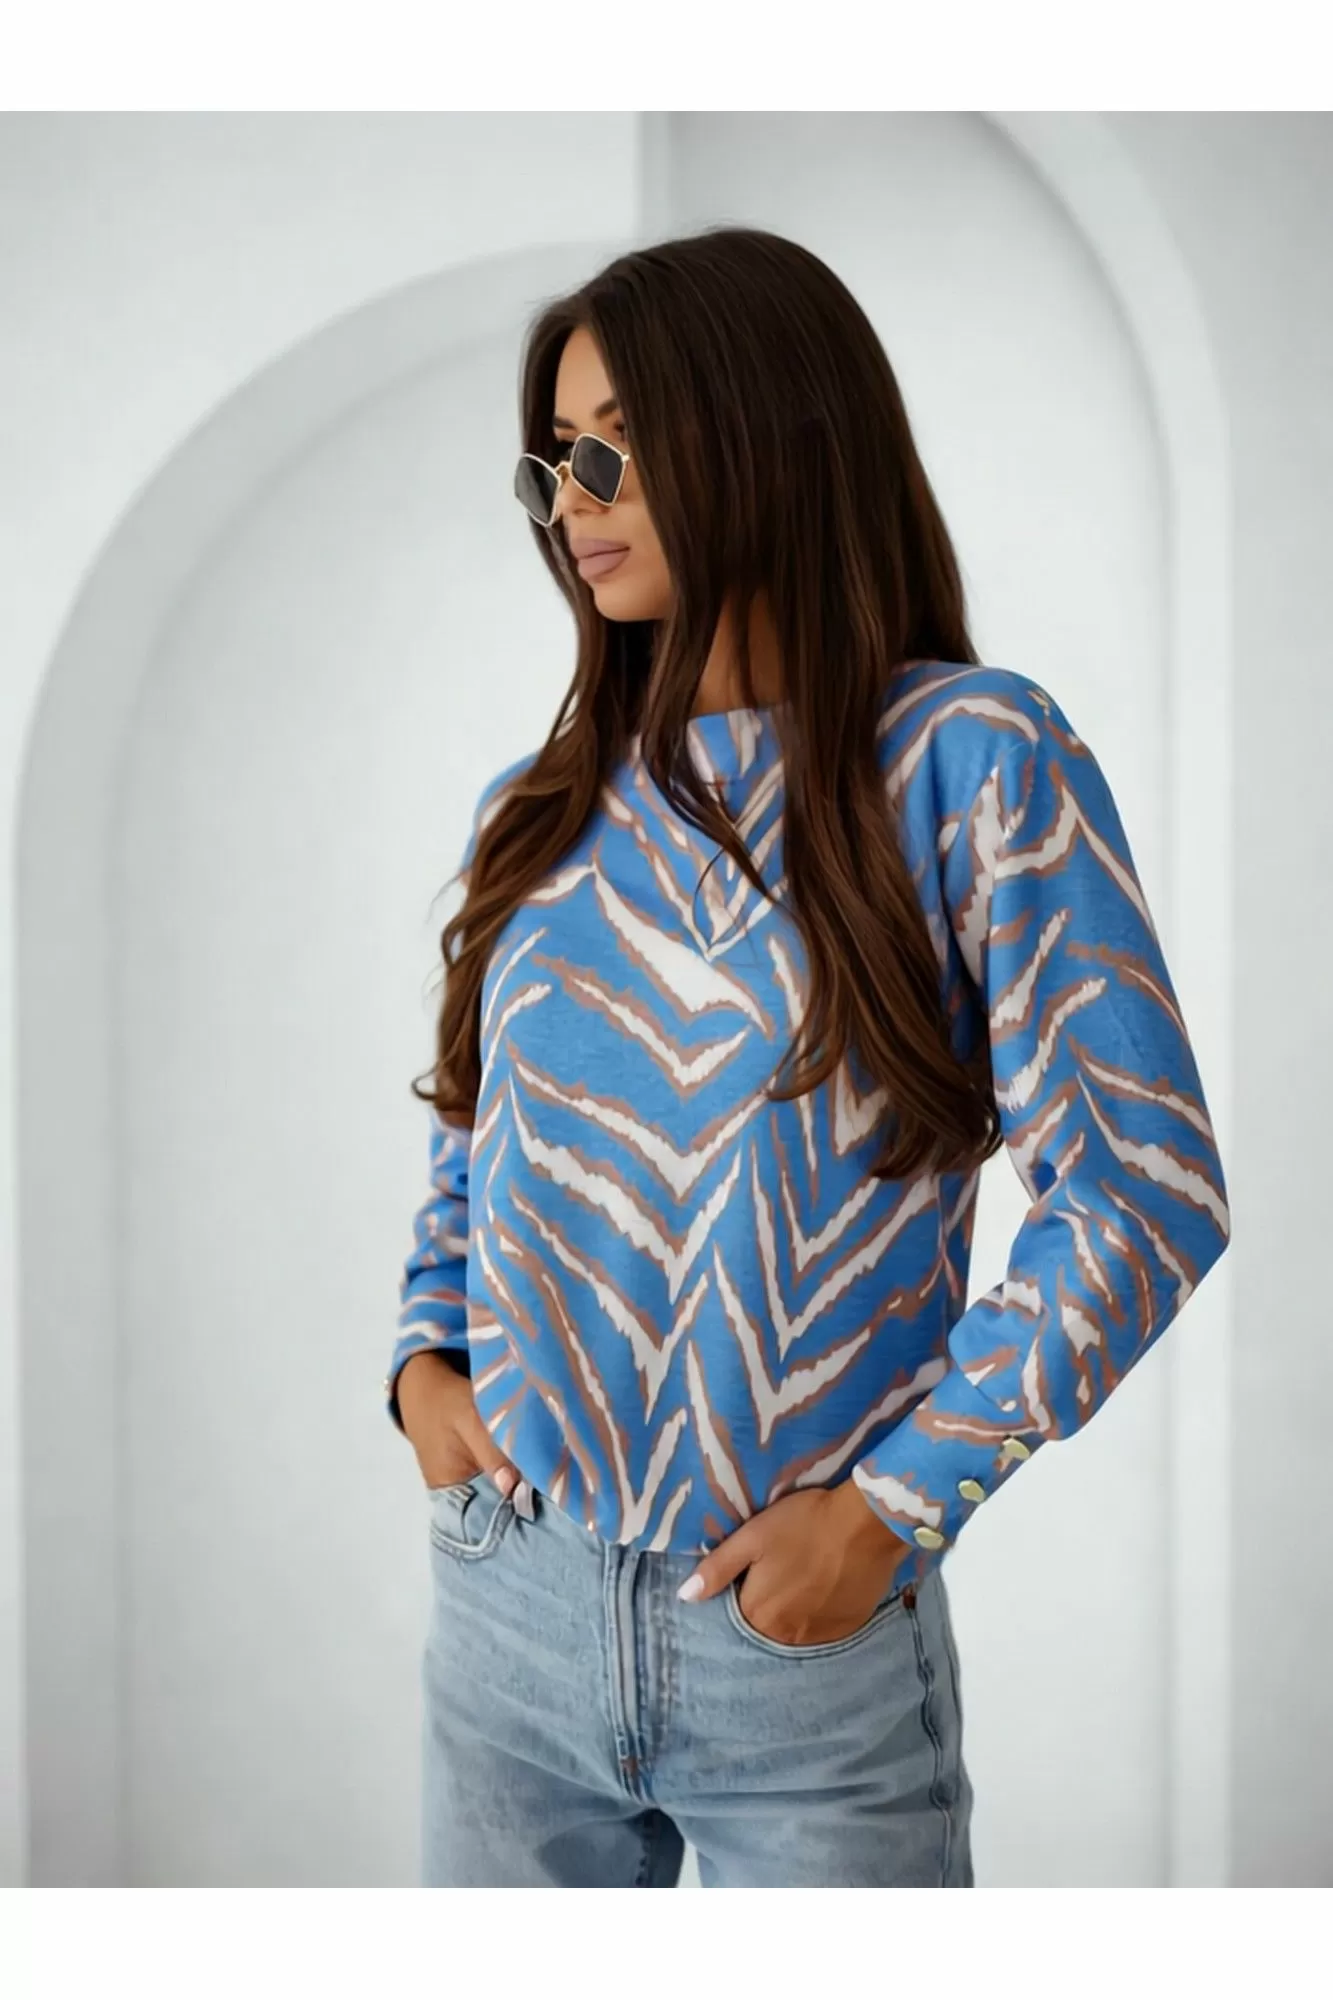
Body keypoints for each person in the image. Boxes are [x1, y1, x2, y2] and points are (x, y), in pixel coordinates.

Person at [382, 225, 1231, 1888]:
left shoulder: (969, 761)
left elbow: (1145, 1189)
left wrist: (894, 1510)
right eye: (554, 460)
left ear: (768, 433)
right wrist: (424, 1364)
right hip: (507, 1611)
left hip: (799, 1649)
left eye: (617, 444)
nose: (573, 498)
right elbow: (475, 1138)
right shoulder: (536, 810)